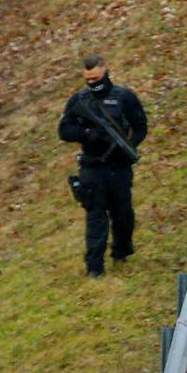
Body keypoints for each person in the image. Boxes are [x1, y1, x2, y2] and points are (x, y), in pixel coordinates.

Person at [58, 53, 148, 277]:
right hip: (92, 167)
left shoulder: (125, 97)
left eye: (96, 79)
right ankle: (94, 268)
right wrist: (88, 134)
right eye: (88, 80)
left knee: (123, 214)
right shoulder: (79, 101)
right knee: (96, 217)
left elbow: (140, 127)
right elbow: (64, 130)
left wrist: (128, 146)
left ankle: (121, 252)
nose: (92, 84)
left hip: (119, 166)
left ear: (106, 73)